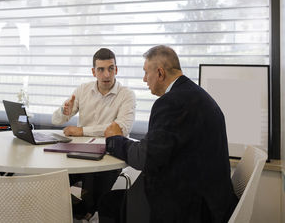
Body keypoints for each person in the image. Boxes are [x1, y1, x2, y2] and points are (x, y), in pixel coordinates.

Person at [99, 45, 238, 223]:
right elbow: (160, 148)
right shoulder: (193, 94)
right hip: (212, 202)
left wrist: (114, 139)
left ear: (160, 73)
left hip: (192, 210)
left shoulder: (172, 103)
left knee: (108, 202)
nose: (144, 79)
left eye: (145, 72)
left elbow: (145, 158)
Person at [52, 48, 136, 220]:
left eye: (110, 68)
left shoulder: (127, 95)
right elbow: (56, 120)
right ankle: (73, 211)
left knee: (91, 193)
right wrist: (63, 110)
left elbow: (122, 128)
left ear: (116, 69)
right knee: (56, 179)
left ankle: (86, 212)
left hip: (110, 152)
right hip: (79, 151)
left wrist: (82, 130)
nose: (106, 74)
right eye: (101, 69)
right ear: (93, 72)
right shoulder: (83, 90)